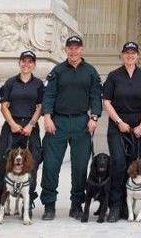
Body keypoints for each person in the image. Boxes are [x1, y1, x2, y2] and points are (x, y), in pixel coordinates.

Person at [39, 35, 103, 221]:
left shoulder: (90, 71)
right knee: (51, 165)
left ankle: (76, 205)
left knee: (80, 167)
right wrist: (47, 116)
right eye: (70, 48)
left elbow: (95, 96)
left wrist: (94, 117)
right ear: (66, 49)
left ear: (82, 49)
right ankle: (49, 205)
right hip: (57, 122)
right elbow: (49, 95)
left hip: (81, 123)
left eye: (76, 48)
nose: (73, 51)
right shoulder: (57, 71)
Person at [0, 50, 44, 221]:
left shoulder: (39, 84)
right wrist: (12, 124)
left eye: (30, 62)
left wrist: (31, 125)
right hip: (11, 126)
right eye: (23, 61)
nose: (26, 65)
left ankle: (28, 203)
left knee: (31, 163)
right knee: (2, 162)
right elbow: (4, 105)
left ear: (34, 64)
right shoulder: (11, 82)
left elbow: (40, 107)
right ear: (19, 63)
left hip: (30, 126)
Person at [102, 41, 141, 223]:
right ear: (122, 55)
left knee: (135, 166)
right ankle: (115, 206)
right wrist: (119, 121)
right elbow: (106, 101)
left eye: (133, 53)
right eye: (127, 53)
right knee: (118, 163)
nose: (130, 56)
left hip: (139, 126)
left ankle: (129, 207)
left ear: (138, 56)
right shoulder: (114, 76)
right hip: (118, 125)